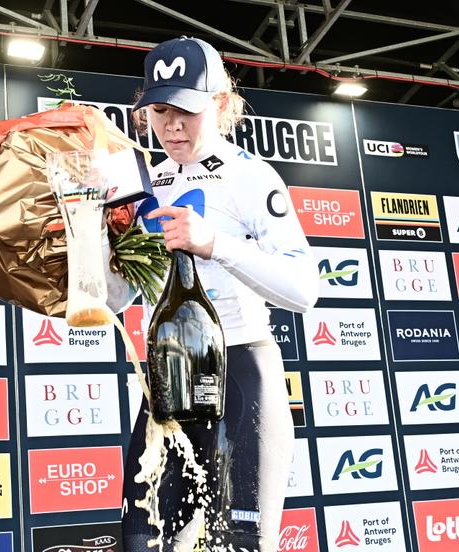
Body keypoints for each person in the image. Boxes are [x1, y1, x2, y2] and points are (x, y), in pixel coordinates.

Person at [120, 37, 319, 551]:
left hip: (243, 371)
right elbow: (121, 296)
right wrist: (91, 245)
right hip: (168, 378)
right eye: (160, 111)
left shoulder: (250, 175)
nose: (173, 126)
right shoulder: (143, 181)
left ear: (222, 105)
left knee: (240, 544)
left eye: (187, 109)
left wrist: (214, 244)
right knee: (142, 542)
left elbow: (303, 291)